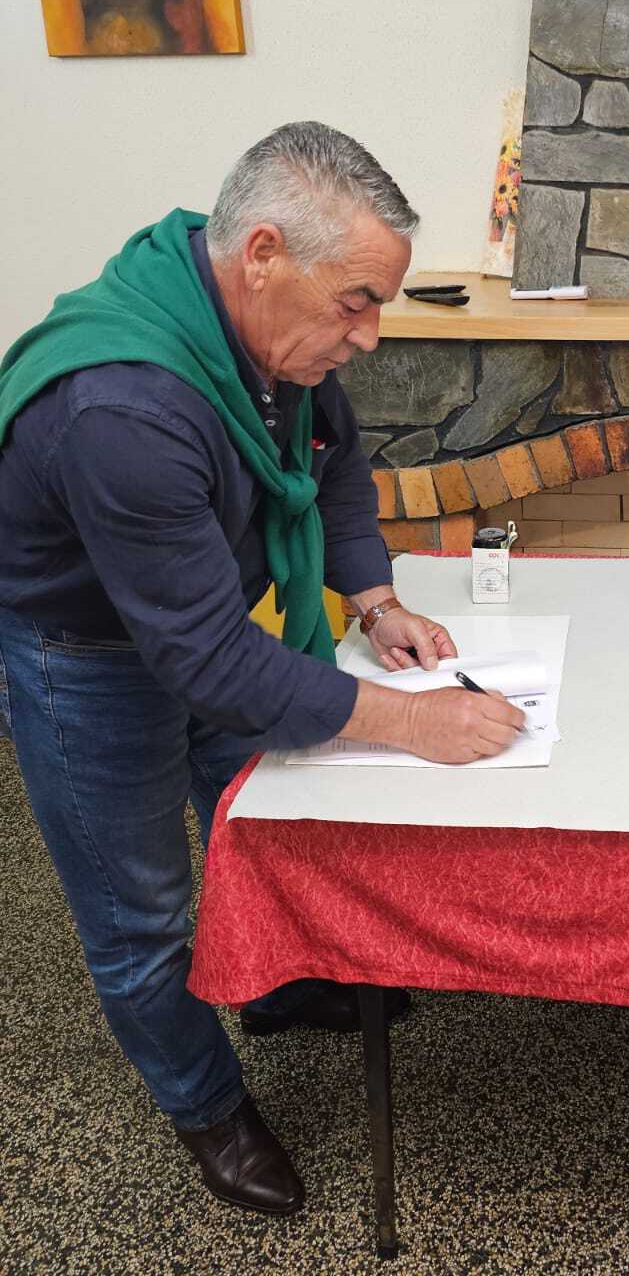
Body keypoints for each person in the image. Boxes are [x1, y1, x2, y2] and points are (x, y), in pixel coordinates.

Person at [0, 121, 525, 1216]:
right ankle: (207, 1107)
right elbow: (206, 660)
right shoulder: (125, 408)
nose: (370, 336)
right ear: (264, 254)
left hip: (204, 614)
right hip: (83, 652)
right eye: (357, 303)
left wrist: (376, 601)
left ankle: (274, 987)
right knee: (141, 914)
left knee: (252, 809)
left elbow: (334, 468)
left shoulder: (272, 335)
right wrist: (411, 720)